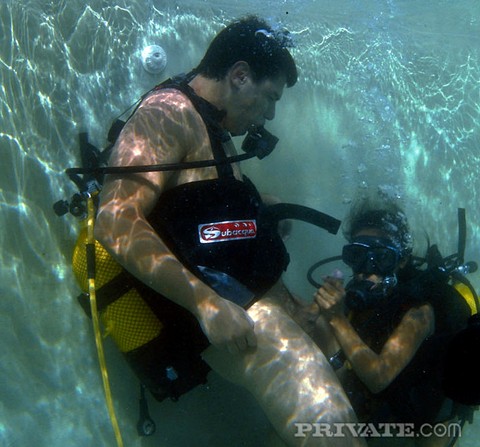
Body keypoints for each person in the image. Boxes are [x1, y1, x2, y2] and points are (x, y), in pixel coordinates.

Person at [93, 15, 362, 446]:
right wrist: (206, 304)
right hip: (234, 313)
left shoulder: (213, 124)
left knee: (336, 403)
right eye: (269, 97)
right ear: (239, 76)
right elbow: (115, 219)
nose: (270, 113)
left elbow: (199, 209)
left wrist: (262, 209)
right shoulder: (169, 113)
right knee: (331, 423)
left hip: (264, 304)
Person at [302, 198, 473, 446]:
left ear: (400, 260)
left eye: (381, 258)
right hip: (385, 407)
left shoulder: (419, 310)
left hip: (426, 413)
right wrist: (316, 315)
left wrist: (337, 319)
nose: (368, 269)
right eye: (359, 255)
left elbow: (378, 376)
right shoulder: (353, 300)